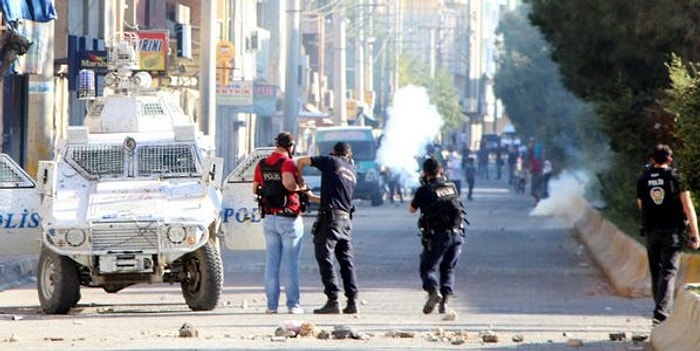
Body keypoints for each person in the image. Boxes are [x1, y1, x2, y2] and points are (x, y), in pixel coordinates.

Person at [637, 144, 700, 326]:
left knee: (656, 272)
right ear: (670, 159)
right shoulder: (675, 177)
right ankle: (661, 314)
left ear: (652, 159)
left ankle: (659, 310)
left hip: (651, 231)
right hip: (672, 231)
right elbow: (688, 207)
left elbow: (641, 205)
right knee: (669, 272)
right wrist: (695, 234)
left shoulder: (643, 179)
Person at [297, 142, 360, 314]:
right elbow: (336, 199)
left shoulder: (331, 161)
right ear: (350, 154)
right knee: (346, 261)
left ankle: (333, 299)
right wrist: (311, 197)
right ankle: (352, 301)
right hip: (345, 220)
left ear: (333, 152)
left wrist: (300, 183)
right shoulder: (352, 172)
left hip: (331, 220)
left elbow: (301, 161)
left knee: (324, 256)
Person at [252, 132, 310, 314]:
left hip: (269, 218)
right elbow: (289, 185)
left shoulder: (262, 164)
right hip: (289, 218)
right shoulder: (288, 162)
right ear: (290, 146)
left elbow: (254, 189)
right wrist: (302, 187)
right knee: (291, 263)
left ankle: (271, 306)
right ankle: (293, 305)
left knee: (272, 264)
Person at [408, 157, 466, 314]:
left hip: (438, 237)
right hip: (457, 236)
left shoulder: (424, 190)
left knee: (427, 268)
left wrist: (422, 191)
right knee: (448, 269)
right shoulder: (452, 186)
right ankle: (445, 302)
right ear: (441, 170)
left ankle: (433, 291)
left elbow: (411, 209)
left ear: (425, 172)